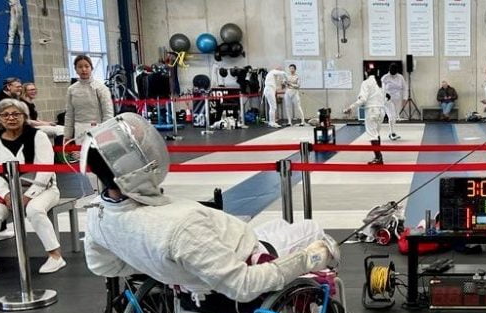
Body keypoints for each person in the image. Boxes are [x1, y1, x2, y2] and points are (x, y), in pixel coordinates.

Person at [81, 113, 339, 302]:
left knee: (280, 225)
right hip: (241, 262)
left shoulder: (97, 214)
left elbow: (103, 266)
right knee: (312, 230)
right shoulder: (181, 227)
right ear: (135, 169)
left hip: (218, 254)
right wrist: (308, 259)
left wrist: (159, 265)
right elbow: (243, 285)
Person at [0, 99, 65, 278]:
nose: (11, 118)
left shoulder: (38, 136)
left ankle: (55, 256)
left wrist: (29, 195)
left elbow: (45, 169)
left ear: (24, 117)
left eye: (16, 114)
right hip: (10, 190)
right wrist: (6, 194)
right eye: (5, 115)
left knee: (34, 209)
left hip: (44, 189)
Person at [64, 55, 114, 142]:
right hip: (79, 131)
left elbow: (108, 113)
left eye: (87, 66)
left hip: (98, 129)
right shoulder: (71, 89)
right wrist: (67, 135)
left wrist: (105, 131)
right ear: (75, 69)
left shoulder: (101, 88)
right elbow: (69, 115)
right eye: (80, 67)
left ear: (91, 68)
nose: (84, 69)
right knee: (81, 151)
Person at [344, 70, 387, 165]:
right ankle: (378, 156)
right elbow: (385, 98)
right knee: (376, 134)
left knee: (372, 135)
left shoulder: (366, 82)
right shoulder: (382, 83)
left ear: (366, 73)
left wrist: (351, 107)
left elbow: (363, 99)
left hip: (372, 111)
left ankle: (378, 158)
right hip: (381, 111)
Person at [380, 63, 406, 140]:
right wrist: (384, 96)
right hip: (388, 99)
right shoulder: (385, 77)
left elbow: (404, 88)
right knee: (391, 116)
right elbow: (383, 89)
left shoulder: (400, 77)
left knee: (395, 116)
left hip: (397, 99)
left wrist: (404, 98)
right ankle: (392, 133)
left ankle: (392, 132)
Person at [4, 0, 25, 64]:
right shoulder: (17, 3)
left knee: (11, 36)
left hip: (15, 17)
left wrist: (15, 15)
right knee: (21, 36)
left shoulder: (14, 2)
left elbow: (16, 9)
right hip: (18, 16)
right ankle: (21, 53)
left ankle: (9, 56)